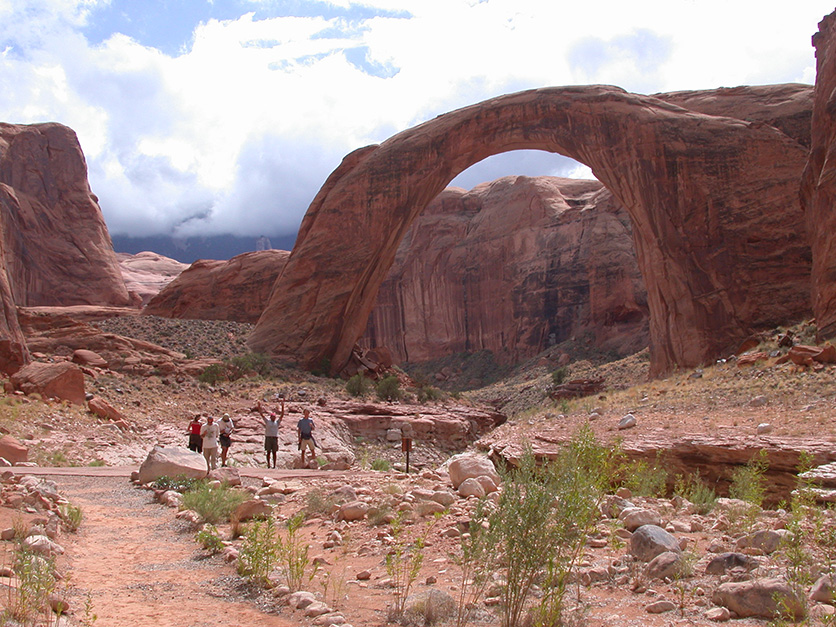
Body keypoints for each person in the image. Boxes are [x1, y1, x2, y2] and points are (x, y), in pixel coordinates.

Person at [257, 397, 284, 469]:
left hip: (274, 438)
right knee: (268, 451)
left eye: (274, 417)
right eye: (272, 417)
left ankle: (274, 465)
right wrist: (259, 406)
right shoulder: (267, 422)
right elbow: (261, 414)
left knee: (274, 452)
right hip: (268, 437)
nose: (273, 418)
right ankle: (268, 464)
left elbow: (282, 415)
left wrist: (282, 406)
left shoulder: (277, 423)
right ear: (270, 417)